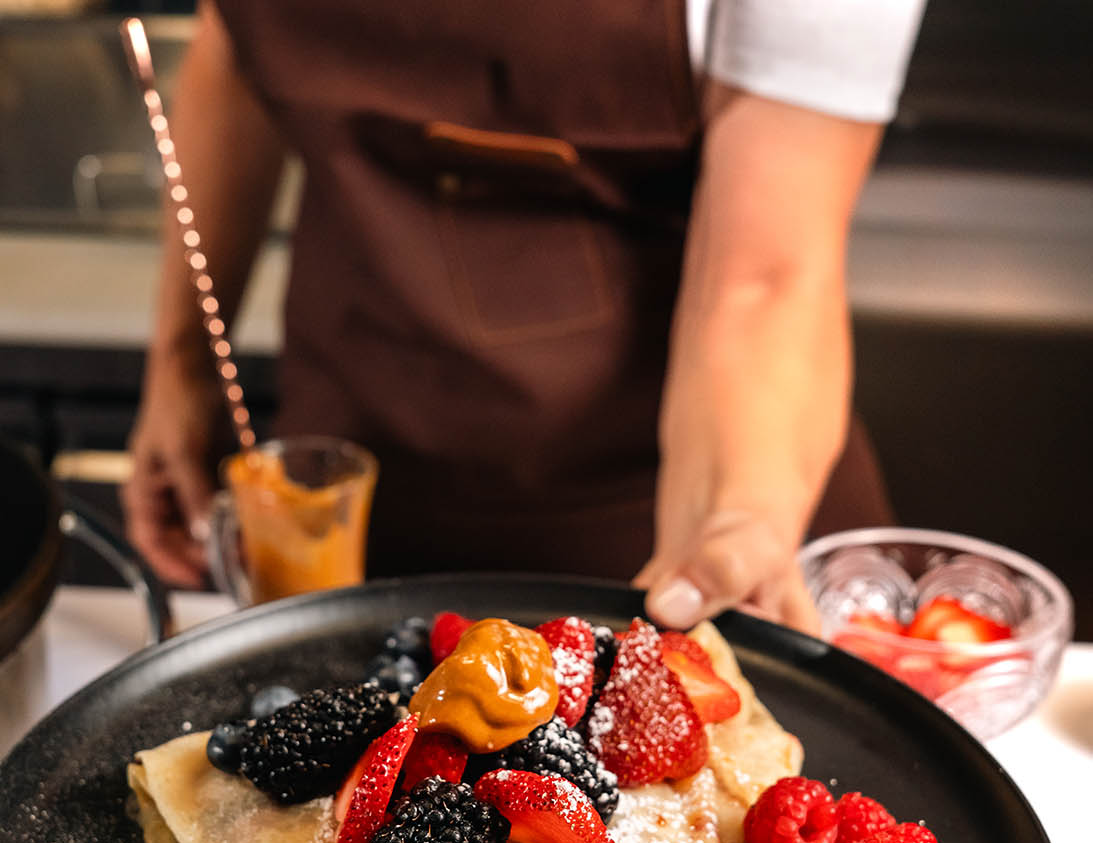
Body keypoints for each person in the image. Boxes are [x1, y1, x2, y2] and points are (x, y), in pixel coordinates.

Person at [123, 0, 926, 631]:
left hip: (639, 501)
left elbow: (764, 276)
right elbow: (238, 45)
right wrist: (182, 359)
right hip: (362, 446)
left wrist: (735, 520)